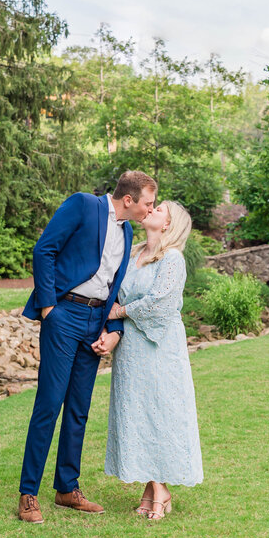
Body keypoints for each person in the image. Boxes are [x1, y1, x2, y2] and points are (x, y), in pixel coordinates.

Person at [16, 171, 158, 524]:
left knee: (79, 409)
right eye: (148, 203)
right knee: (49, 405)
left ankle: (67, 488)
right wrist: (49, 307)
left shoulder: (126, 232)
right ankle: (28, 494)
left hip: (95, 323)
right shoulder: (83, 205)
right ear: (129, 200)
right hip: (64, 314)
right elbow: (44, 249)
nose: (150, 210)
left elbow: (115, 288)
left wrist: (113, 329)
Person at [102, 200, 203, 520]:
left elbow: (161, 302)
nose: (152, 210)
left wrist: (121, 312)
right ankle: (153, 487)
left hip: (160, 347)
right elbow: (115, 290)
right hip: (131, 349)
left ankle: (160, 489)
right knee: (137, 414)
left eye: (160, 210)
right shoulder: (133, 254)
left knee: (160, 412)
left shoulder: (172, 258)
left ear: (168, 225)